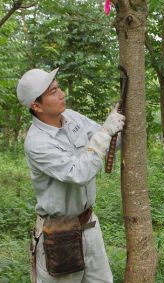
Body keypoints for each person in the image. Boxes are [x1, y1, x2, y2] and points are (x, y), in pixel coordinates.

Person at [16, 68, 125, 283]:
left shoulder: (72, 117)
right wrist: (105, 132)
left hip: (89, 224)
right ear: (36, 106)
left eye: (59, 87)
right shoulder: (38, 143)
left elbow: (110, 141)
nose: (62, 94)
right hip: (59, 232)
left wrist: (119, 124)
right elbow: (79, 172)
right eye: (53, 91)